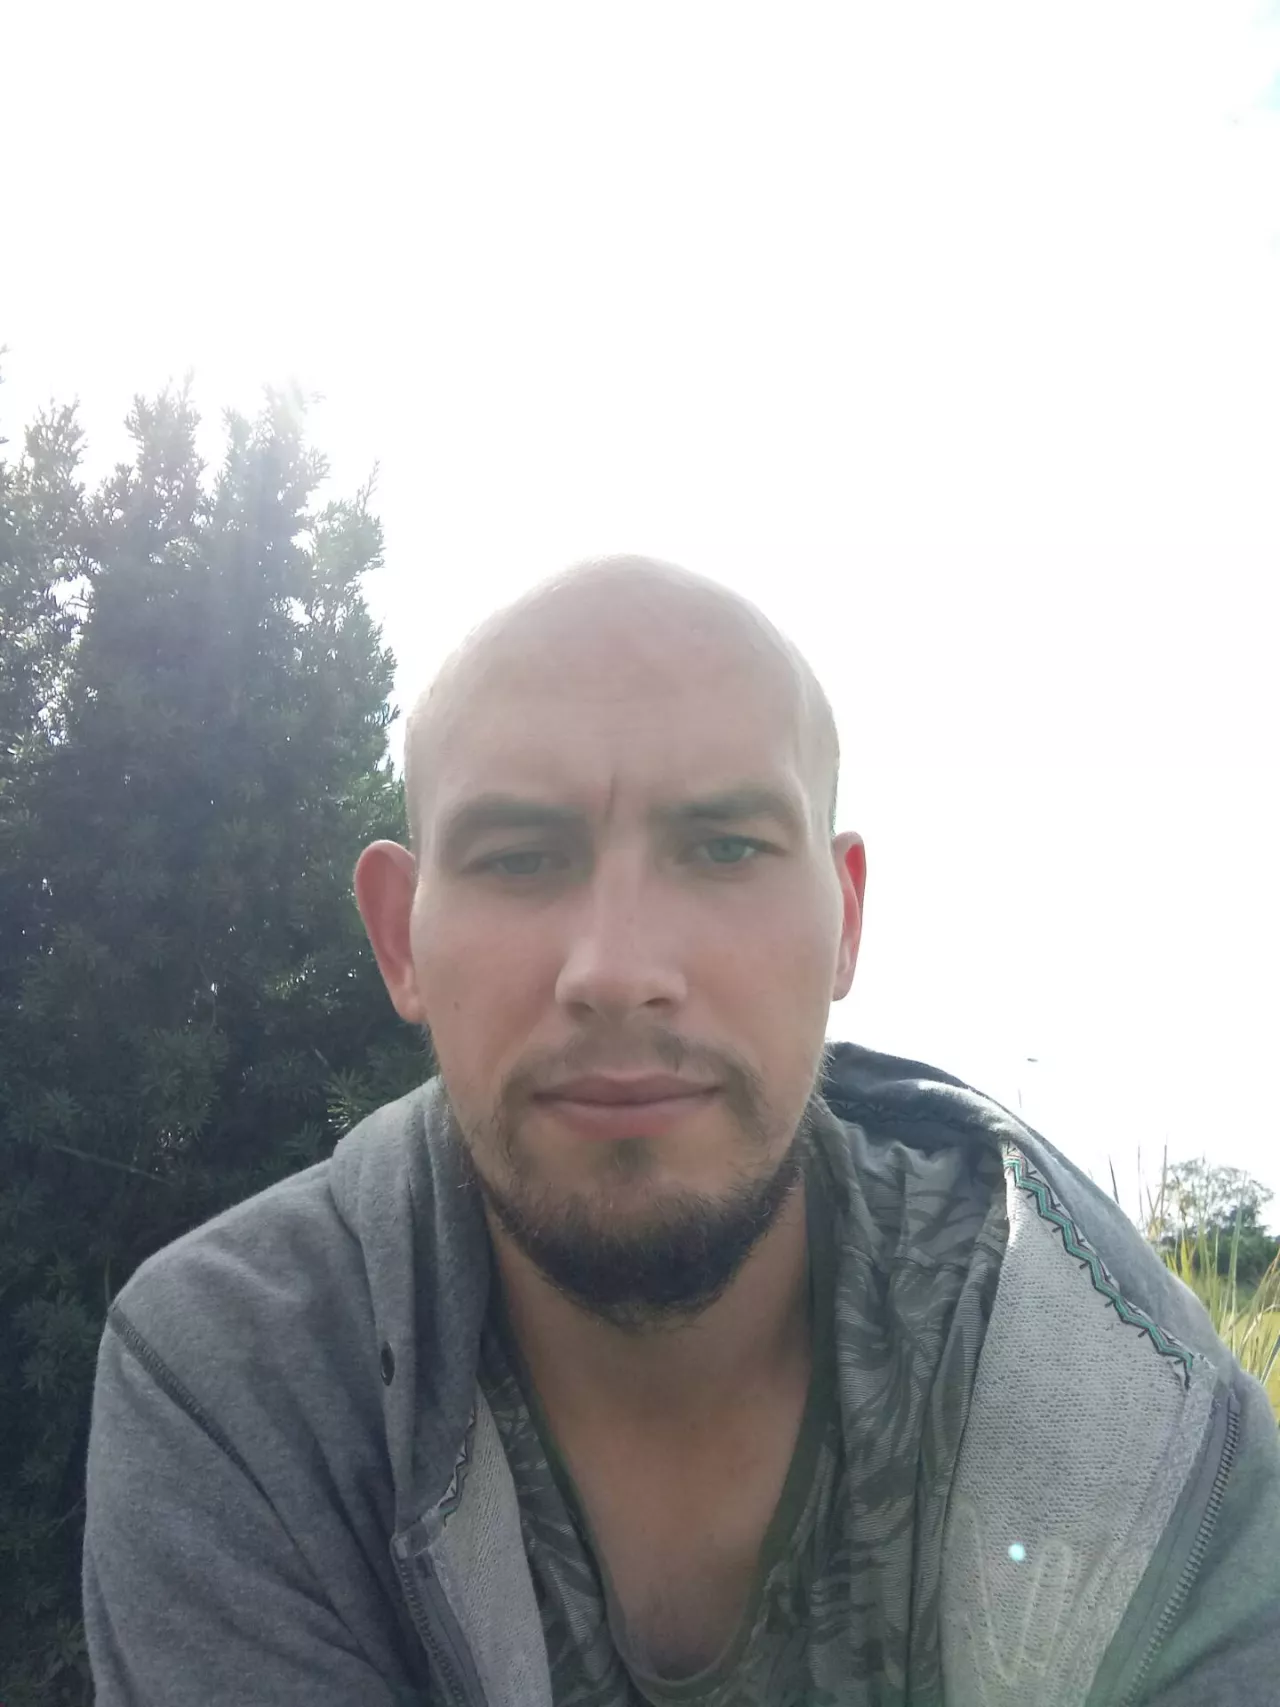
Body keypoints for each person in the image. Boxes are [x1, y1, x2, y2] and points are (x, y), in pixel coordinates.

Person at [82, 556, 1280, 1707]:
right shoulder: (243, 1380)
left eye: (723, 849)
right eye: (518, 858)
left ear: (844, 921)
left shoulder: (1137, 1411)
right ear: (401, 939)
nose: (615, 970)